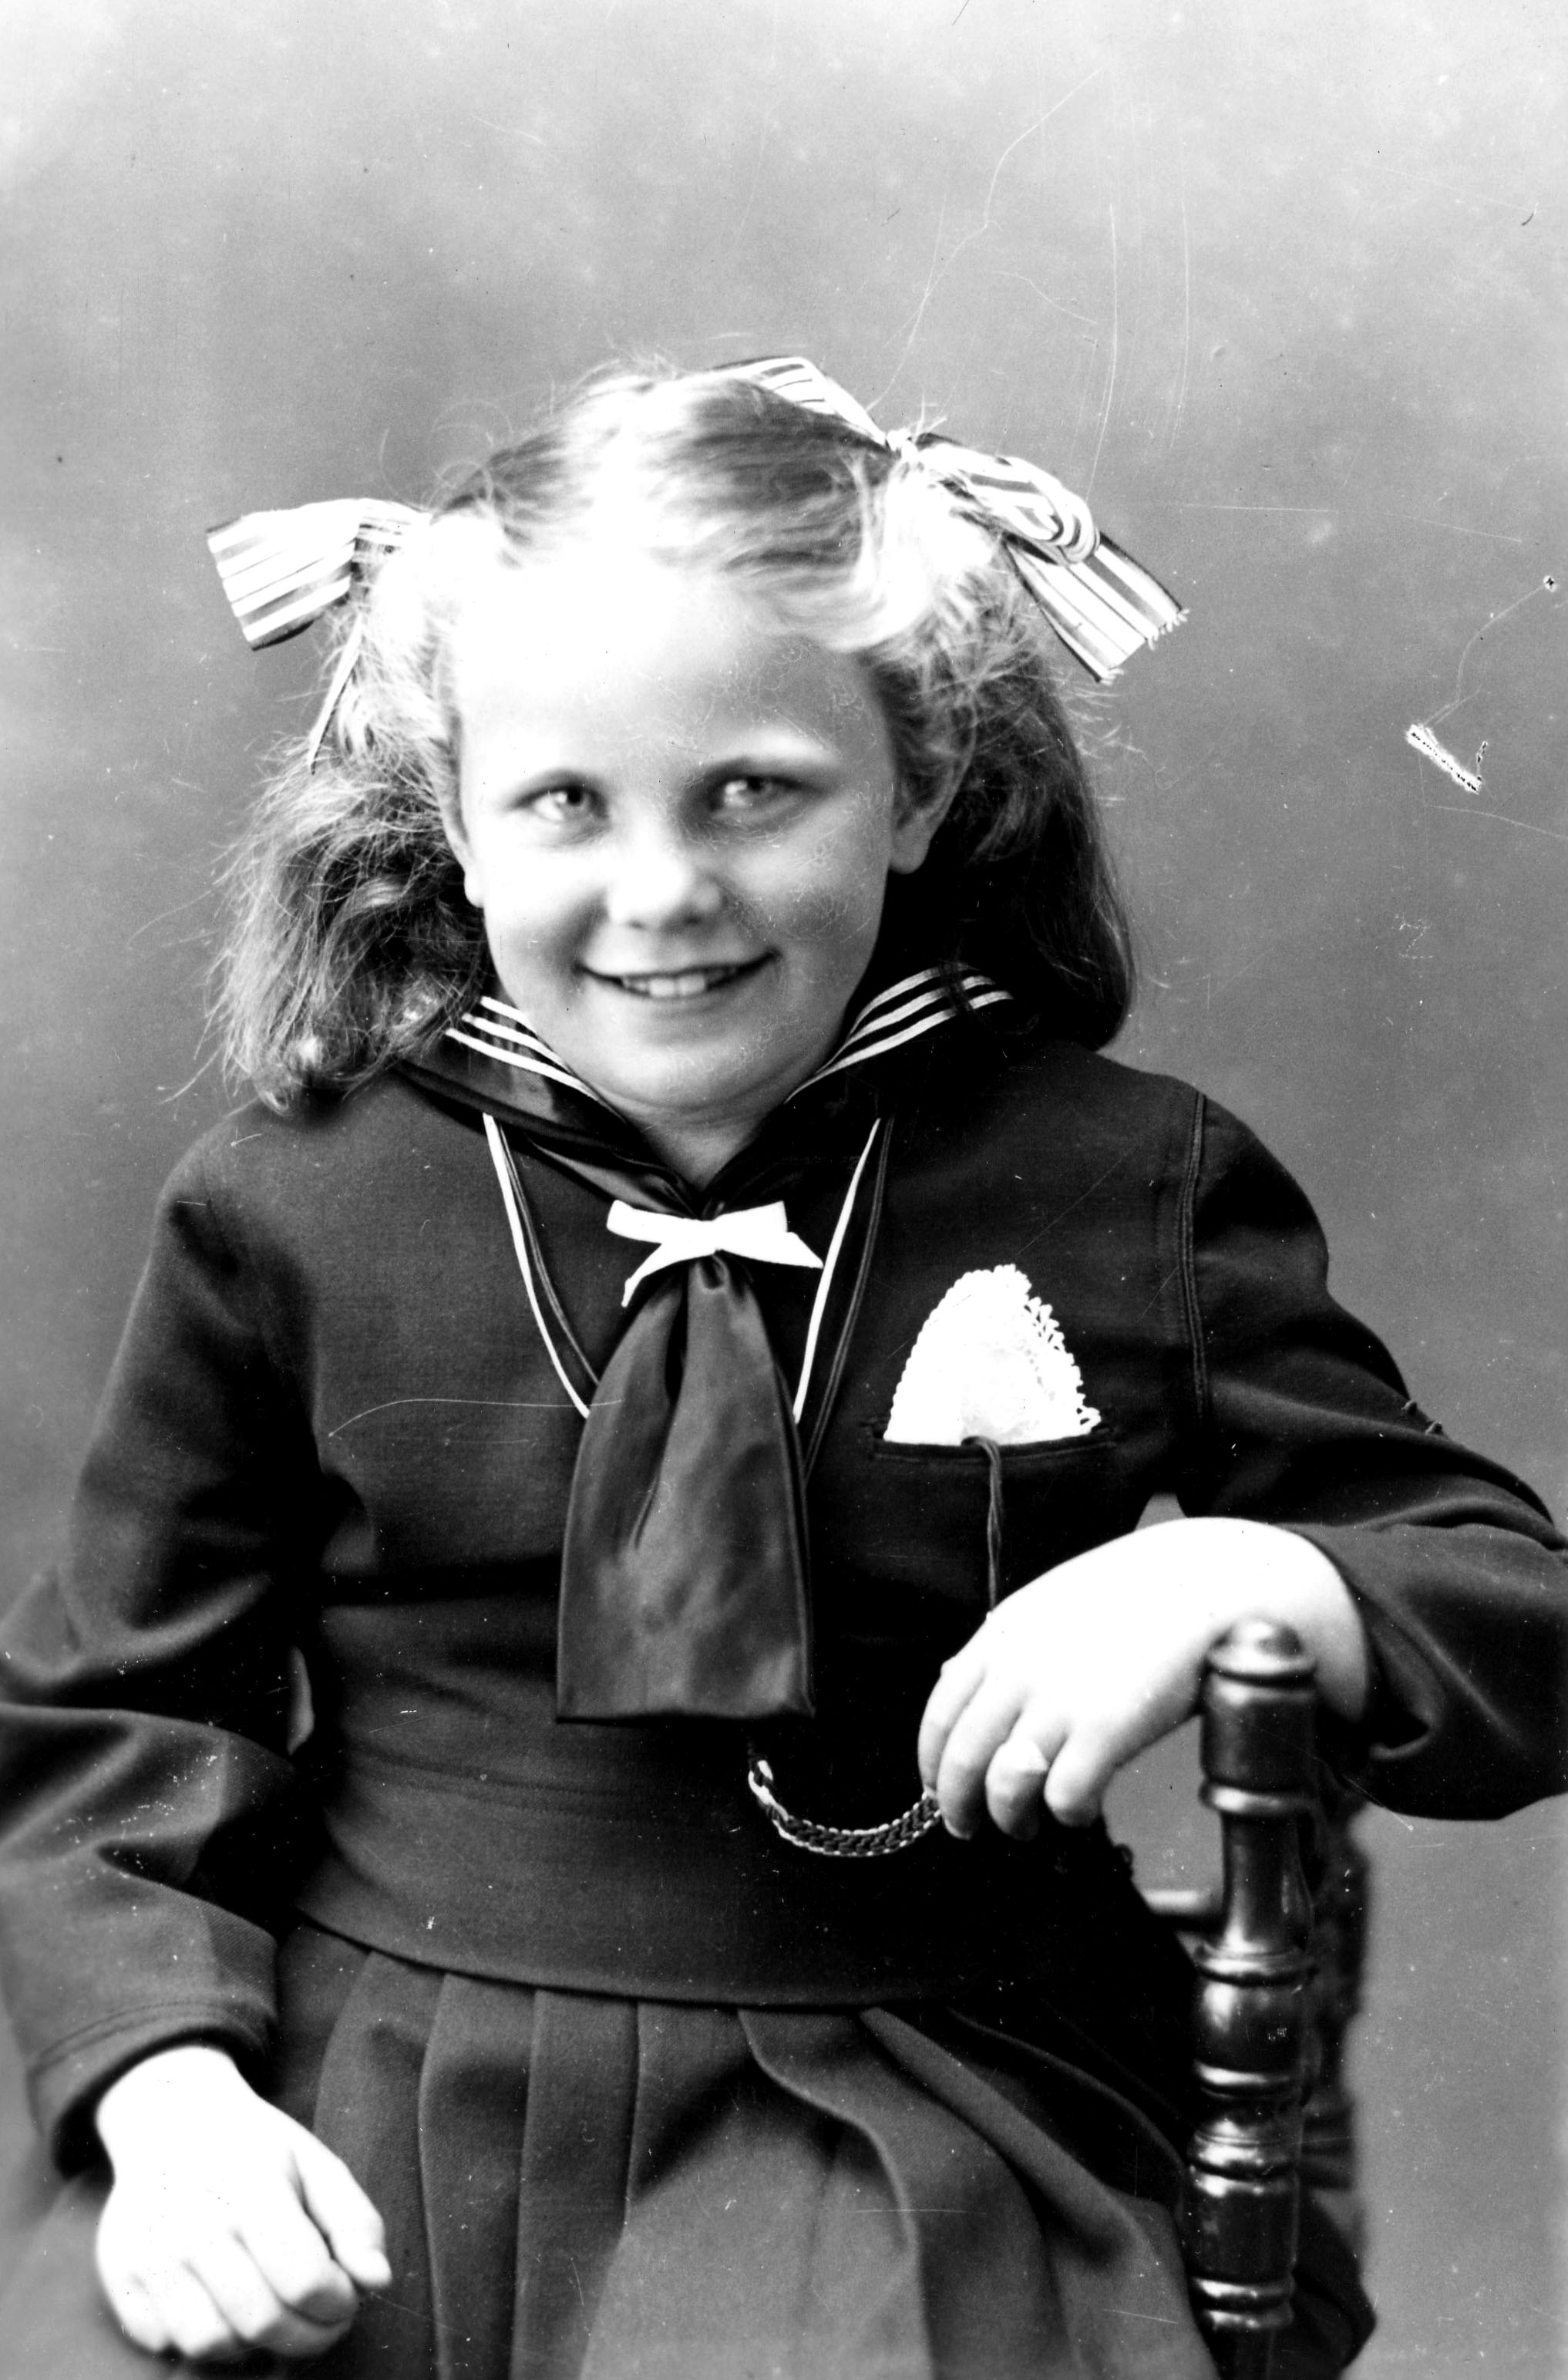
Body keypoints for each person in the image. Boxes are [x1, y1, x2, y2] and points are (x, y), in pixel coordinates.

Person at [0, 355, 1561, 2380]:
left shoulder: (1123, 1180)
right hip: (362, 2064)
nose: (663, 892)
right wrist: (167, 2095)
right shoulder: (292, 1203)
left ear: (917, 785)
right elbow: (115, 1712)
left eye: (751, 789)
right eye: (565, 802)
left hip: (925, 2081)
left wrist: (1257, 1575)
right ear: (455, 821)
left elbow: (1511, 1606)